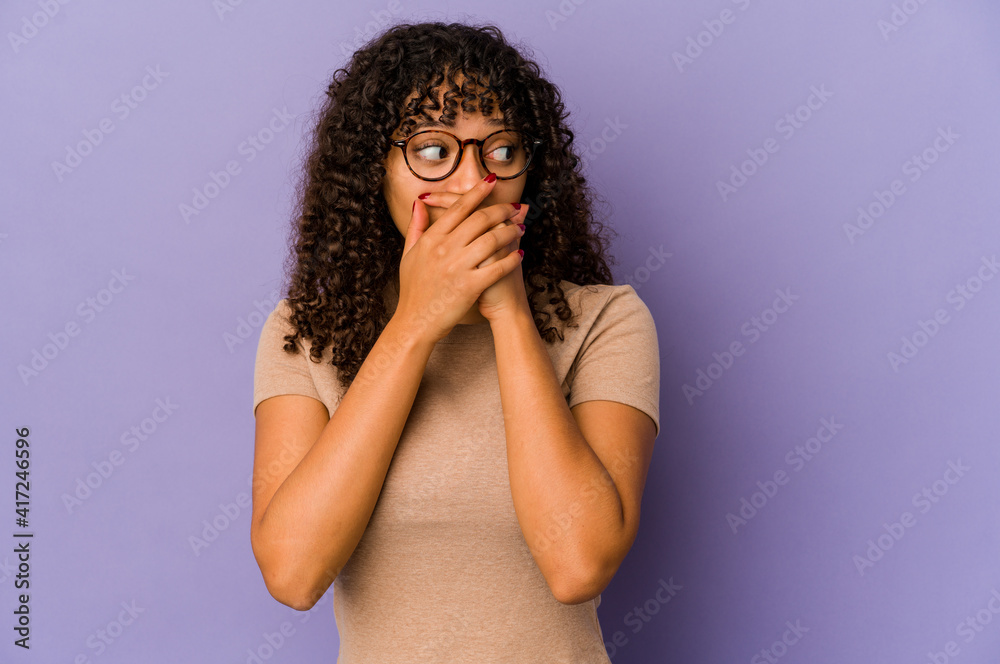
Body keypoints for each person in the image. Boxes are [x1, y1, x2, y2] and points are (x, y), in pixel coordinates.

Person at [250, 21, 660, 663]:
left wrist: (512, 315)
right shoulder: (307, 331)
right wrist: (415, 324)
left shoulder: (607, 321)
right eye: (435, 151)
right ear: (374, 170)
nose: (475, 185)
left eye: (500, 151)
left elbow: (578, 564)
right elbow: (293, 573)